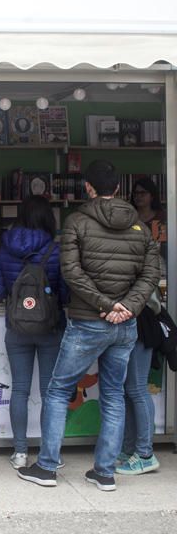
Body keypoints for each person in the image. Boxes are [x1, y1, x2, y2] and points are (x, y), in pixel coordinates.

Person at [18, 160, 160, 492]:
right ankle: (105, 472)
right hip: (125, 325)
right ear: (119, 189)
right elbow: (150, 274)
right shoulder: (139, 226)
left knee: (57, 391)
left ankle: (48, 467)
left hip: (87, 323)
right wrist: (128, 307)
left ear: (89, 189)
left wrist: (107, 306)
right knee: (113, 395)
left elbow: (72, 273)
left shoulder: (77, 222)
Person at [0, 195, 68, 470]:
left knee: (20, 390)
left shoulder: (5, 248)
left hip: (17, 328)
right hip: (50, 327)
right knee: (51, 392)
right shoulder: (56, 251)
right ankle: (51, 453)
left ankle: (20, 452)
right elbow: (66, 292)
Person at [115, 177, 166, 476]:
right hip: (133, 319)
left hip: (141, 320)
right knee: (126, 389)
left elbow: (150, 293)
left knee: (135, 388)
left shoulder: (142, 249)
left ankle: (145, 452)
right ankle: (130, 448)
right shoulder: (138, 246)